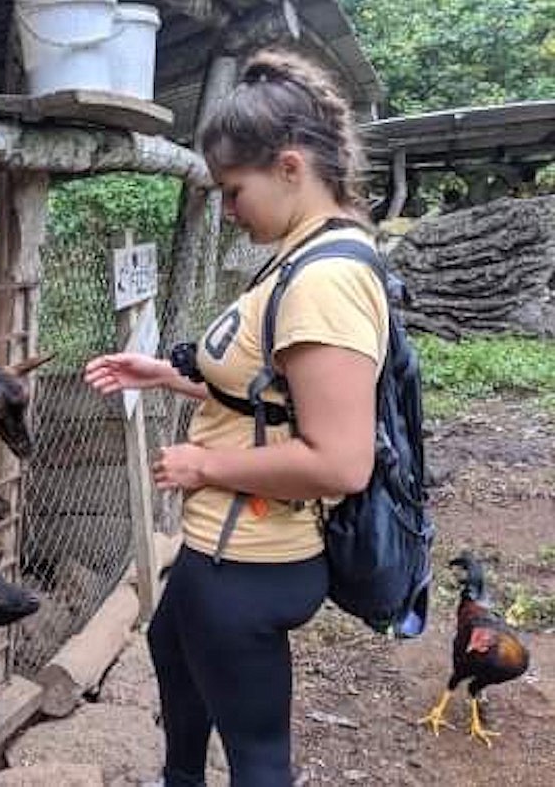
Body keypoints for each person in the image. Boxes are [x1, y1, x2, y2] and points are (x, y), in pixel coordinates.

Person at [84, 49, 388, 787]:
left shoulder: (326, 281)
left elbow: (343, 461)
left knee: (256, 756)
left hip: (255, 553)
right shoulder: (300, 256)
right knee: (170, 644)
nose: (226, 208)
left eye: (232, 189)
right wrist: (173, 377)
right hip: (225, 544)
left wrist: (203, 465)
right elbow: (272, 397)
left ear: (290, 167)